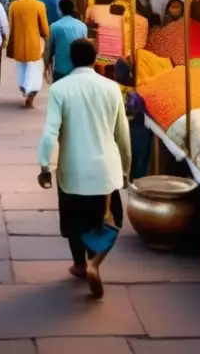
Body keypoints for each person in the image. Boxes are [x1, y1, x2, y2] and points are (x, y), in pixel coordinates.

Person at [37, 38, 131, 299]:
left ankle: (80, 264)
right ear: (95, 57)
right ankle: (95, 262)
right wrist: (126, 168)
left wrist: (45, 165)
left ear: (70, 58)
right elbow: (122, 134)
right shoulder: (112, 88)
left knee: (73, 218)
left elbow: (49, 133)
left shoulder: (60, 88)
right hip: (106, 168)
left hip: (72, 168)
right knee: (110, 221)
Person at [7, 0, 50, 108]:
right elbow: (44, 26)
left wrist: (9, 41)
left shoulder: (14, 6)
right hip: (34, 43)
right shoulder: (39, 5)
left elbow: (11, 25)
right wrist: (48, 37)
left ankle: (24, 87)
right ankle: (30, 94)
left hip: (18, 43)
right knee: (35, 70)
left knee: (22, 68)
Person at [45, 0, 88, 82]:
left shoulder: (55, 26)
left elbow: (49, 48)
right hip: (78, 69)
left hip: (61, 69)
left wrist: (46, 64)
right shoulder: (82, 26)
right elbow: (86, 49)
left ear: (60, 9)